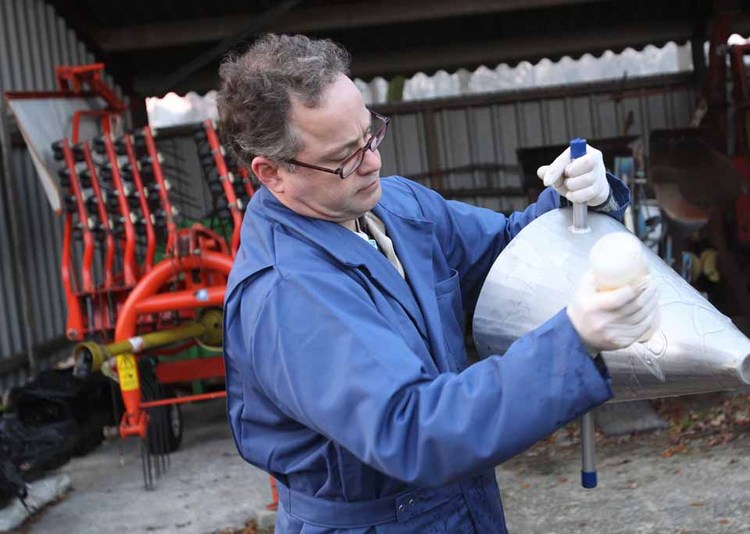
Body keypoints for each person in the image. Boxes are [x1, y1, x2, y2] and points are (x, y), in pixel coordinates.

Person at [219, 33, 659, 533]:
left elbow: (509, 254)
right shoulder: (288, 294)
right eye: (345, 157)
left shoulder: (397, 207)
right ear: (272, 173)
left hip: (460, 505)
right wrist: (571, 340)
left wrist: (577, 199)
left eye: (370, 134)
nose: (373, 161)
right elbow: (411, 430)